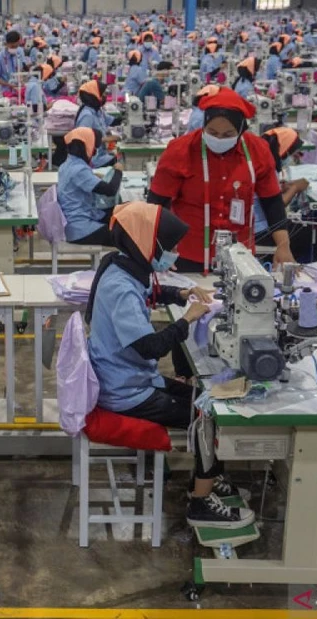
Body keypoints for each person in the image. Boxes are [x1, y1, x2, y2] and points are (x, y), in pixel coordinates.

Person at [85, 201, 254, 529]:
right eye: (171, 246)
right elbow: (151, 348)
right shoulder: (120, 289)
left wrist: (183, 293)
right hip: (124, 390)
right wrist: (187, 320)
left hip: (130, 376)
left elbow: (151, 293)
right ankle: (200, 502)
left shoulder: (121, 264)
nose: (175, 252)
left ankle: (209, 473)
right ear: (149, 243)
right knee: (207, 417)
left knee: (206, 401)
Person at [147, 87, 293, 273]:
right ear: (204, 125)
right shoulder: (180, 150)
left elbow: (272, 201)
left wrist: (283, 245)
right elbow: (156, 204)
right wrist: (160, 245)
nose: (219, 139)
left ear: (241, 130)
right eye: (212, 132)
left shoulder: (258, 150)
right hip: (187, 254)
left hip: (241, 255)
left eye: (228, 135)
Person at [57, 127, 123, 246]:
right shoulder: (79, 170)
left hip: (74, 220)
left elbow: (81, 181)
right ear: (86, 146)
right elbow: (110, 190)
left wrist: (92, 176)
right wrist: (118, 171)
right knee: (126, 236)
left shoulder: (67, 164)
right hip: (79, 229)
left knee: (123, 212)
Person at [257, 127, 314, 262]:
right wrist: (294, 188)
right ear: (284, 150)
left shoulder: (261, 158)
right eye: (291, 154)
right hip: (258, 231)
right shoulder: (267, 166)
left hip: (258, 224)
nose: (291, 158)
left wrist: (282, 188)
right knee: (305, 231)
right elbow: (275, 208)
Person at [74, 80, 117, 167]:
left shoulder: (97, 110)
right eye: (103, 94)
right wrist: (107, 139)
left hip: (101, 153)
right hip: (93, 159)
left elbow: (112, 121)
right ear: (94, 96)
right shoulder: (87, 116)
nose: (105, 96)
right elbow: (82, 140)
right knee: (121, 161)